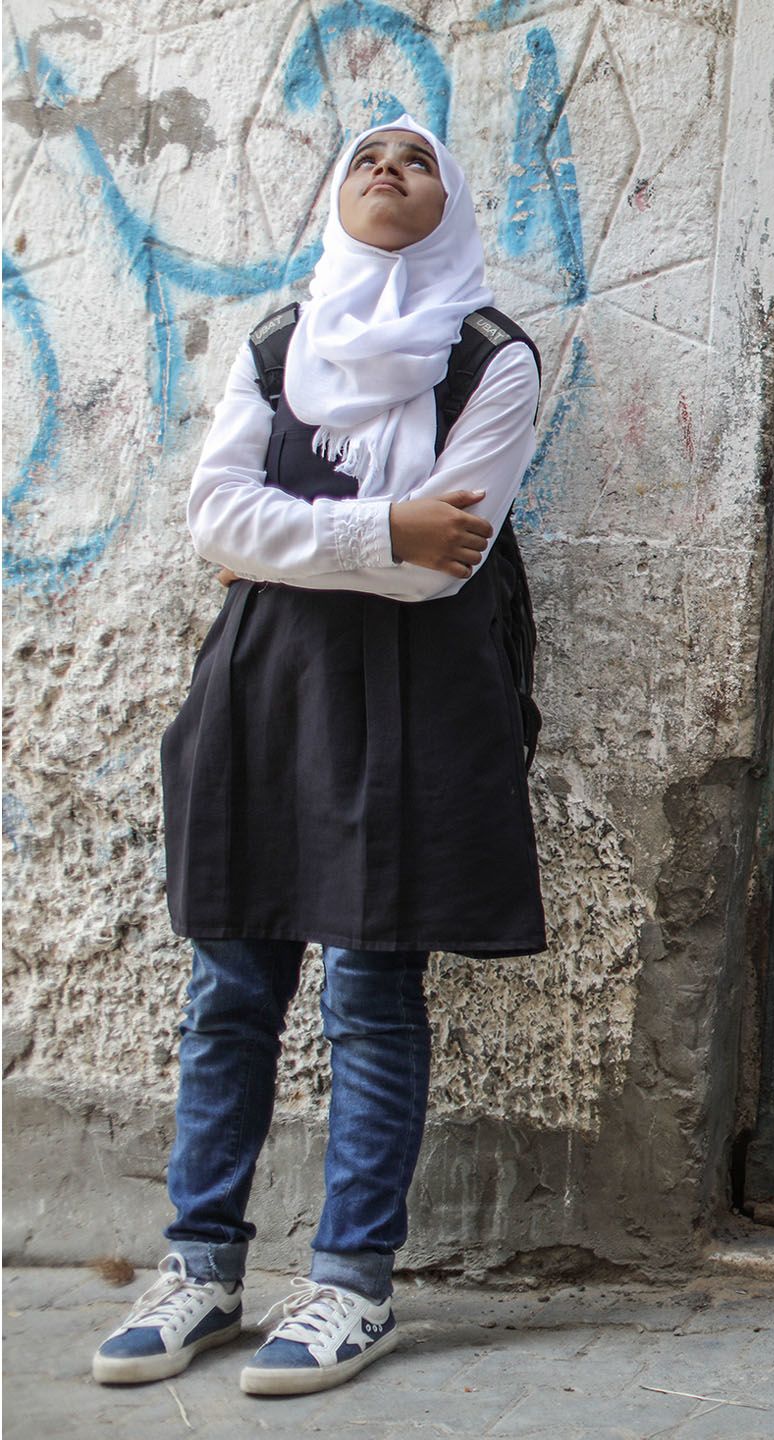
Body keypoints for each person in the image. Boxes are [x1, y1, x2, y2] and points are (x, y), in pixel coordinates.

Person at [99, 117, 545, 1397]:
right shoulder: (278, 343)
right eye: (367, 158)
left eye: (416, 160)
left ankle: (352, 1283)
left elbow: (440, 562)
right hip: (264, 692)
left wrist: (307, 537)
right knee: (231, 986)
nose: (389, 172)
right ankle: (203, 1269)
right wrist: (379, 524)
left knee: (367, 988)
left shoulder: (490, 358)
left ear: (450, 199)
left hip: (411, 701)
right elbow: (212, 518)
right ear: (337, 192)